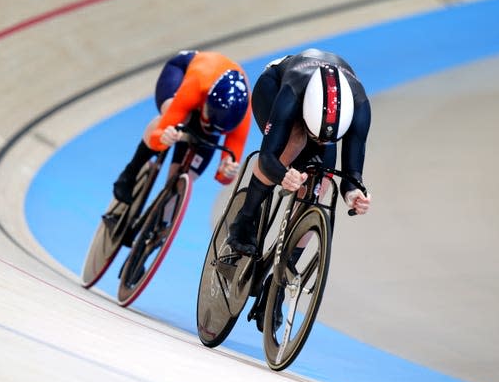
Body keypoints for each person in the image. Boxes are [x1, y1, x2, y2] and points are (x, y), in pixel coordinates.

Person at [227, 48, 372, 256]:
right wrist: (282, 175)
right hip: (274, 86)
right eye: (317, 137)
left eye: (328, 139)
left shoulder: (360, 108)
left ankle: (285, 269)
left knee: (320, 186)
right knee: (295, 139)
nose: (320, 143)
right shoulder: (290, 95)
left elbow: (352, 172)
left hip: (321, 108)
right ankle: (245, 219)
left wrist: (353, 193)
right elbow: (268, 156)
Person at [113, 50, 252, 204]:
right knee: (176, 117)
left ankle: (164, 210)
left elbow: (227, 169)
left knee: (204, 145)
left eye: (219, 129)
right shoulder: (196, 84)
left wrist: (228, 172)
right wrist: (164, 136)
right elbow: (159, 133)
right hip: (182, 70)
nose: (210, 128)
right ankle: (130, 172)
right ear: (205, 103)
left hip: (212, 101)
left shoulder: (242, 115)